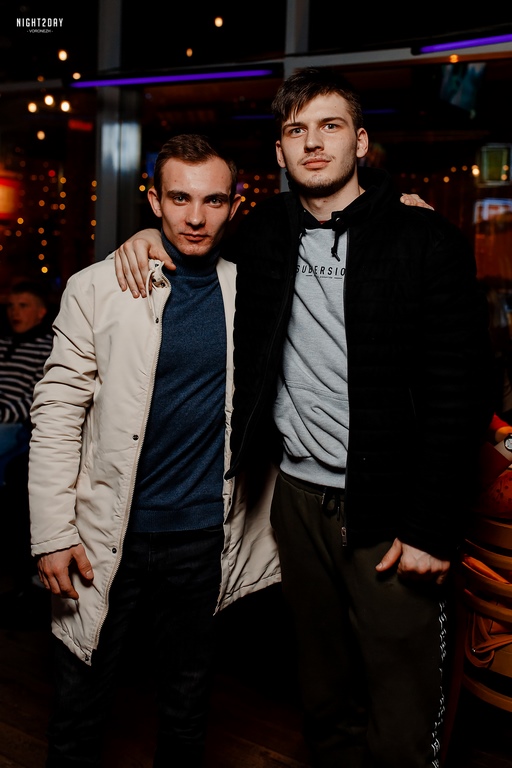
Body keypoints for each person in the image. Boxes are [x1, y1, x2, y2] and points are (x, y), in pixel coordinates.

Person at [113, 69, 494, 768]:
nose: (313, 143)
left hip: (392, 509)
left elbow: (460, 392)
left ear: (361, 142)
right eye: (296, 130)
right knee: (322, 698)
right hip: (293, 500)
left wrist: (431, 527)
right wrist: (144, 238)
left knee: (403, 713)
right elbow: (193, 237)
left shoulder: (423, 239)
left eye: (330, 126)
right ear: (280, 152)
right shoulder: (261, 235)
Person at [28, 134, 280, 768]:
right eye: (179, 198)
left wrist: (400, 207)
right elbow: (56, 414)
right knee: (79, 710)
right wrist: (51, 533)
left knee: (186, 713)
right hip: (102, 538)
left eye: (213, 200)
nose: (195, 217)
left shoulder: (254, 291)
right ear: (154, 201)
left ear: (235, 205)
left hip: (203, 538)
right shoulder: (96, 287)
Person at [0, 280, 53, 485]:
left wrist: (3, 413)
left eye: (23, 306)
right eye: (11, 306)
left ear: (40, 312)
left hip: (15, 422)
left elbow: (37, 396)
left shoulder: (47, 347)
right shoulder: (4, 342)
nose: (15, 312)